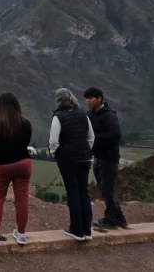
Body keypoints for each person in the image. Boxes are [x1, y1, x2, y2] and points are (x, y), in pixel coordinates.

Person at [0, 92, 33, 247]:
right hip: (22, 163)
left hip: (1, 165)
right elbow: (26, 141)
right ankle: (21, 234)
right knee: (22, 198)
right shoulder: (26, 123)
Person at [49, 88, 95, 241]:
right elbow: (91, 137)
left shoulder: (58, 116)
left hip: (67, 160)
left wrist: (56, 154)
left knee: (73, 193)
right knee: (84, 192)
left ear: (58, 100)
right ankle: (87, 230)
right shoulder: (83, 114)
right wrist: (85, 151)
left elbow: (54, 141)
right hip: (85, 159)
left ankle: (76, 230)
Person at [84, 87, 128, 228]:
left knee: (107, 189)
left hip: (109, 158)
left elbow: (115, 135)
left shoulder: (109, 115)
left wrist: (94, 139)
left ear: (99, 99)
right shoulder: (89, 115)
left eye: (91, 98)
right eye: (87, 98)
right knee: (104, 189)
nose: (88, 101)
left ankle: (110, 219)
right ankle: (119, 218)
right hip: (97, 157)